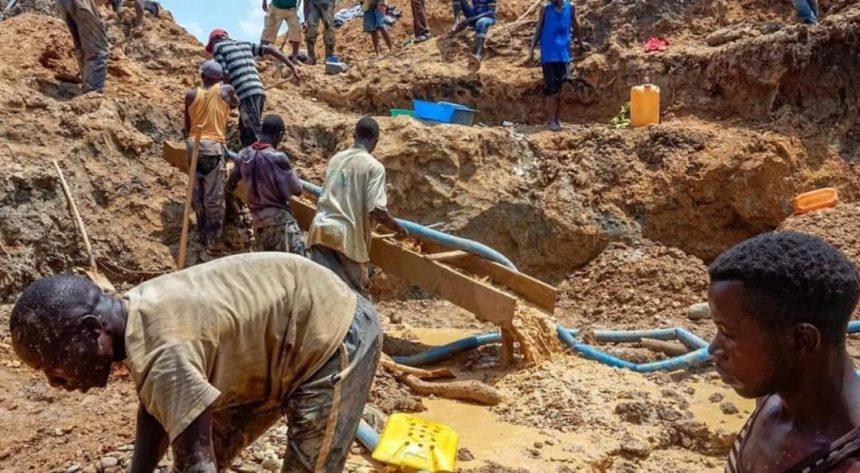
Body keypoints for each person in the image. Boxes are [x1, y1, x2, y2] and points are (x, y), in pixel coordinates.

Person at [9, 253, 382, 472]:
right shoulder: (134, 312)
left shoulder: (162, 351)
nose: (55, 382)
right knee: (204, 446)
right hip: (283, 340)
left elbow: (197, 463)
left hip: (334, 334)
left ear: (93, 330)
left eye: (55, 364)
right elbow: (156, 409)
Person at [708, 231, 860, 472]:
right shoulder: (773, 397)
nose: (713, 349)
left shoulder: (847, 463)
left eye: (728, 333)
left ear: (802, 340)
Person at [308, 117, 406, 295]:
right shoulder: (374, 167)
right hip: (346, 240)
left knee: (321, 294)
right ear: (376, 141)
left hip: (320, 231)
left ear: (354, 136)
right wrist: (398, 228)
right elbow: (376, 210)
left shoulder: (336, 159)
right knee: (355, 298)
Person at [226, 115, 306, 255]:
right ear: (279, 135)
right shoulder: (278, 158)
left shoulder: (243, 155)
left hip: (258, 225)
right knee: (299, 263)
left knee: (267, 267)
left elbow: (229, 186)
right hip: (280, 222)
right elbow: (297, 189)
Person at [206, 29, 301, 147]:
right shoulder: (244, 44)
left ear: (214, 41)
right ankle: (246, 154)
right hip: (258, 89)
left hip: (245, 93)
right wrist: (293, 67)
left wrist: (229, 97)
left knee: (254, 133)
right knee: (245, 130)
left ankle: (263, 155)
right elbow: (271, 49)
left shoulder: (218, 47)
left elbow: (225, 73)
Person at [183, 60, 238, 254]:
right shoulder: (226, 90)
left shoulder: (191, 95)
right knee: (214, 196)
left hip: (193, 144)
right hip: (213, 147)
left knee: (197, 192)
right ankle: (213, 241)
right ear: (220, 78)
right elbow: (235, 104)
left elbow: (187, 126)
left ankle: (201, 233)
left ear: (202, 76)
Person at [528, 0, 584, 131]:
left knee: (562, 87)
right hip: (548, 54)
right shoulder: (545, 8)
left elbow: (575, 25)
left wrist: (580, 42)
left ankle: (557, 118)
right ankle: (551, 120)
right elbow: (539, 28)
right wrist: (532, 49)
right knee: (551, 88)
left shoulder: (570, 7)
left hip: (563, 54)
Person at [56, 0, 111, 93]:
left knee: (81, 46)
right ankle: (93, 90)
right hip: (82, 3)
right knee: (98, 52)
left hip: (64, 3)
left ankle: (87, 82)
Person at [304, 0, 336, 65]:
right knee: (311, 28)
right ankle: (311, 57)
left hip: (327, 2)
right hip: (313, 2)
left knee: (328, 27)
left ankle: (329, 57)